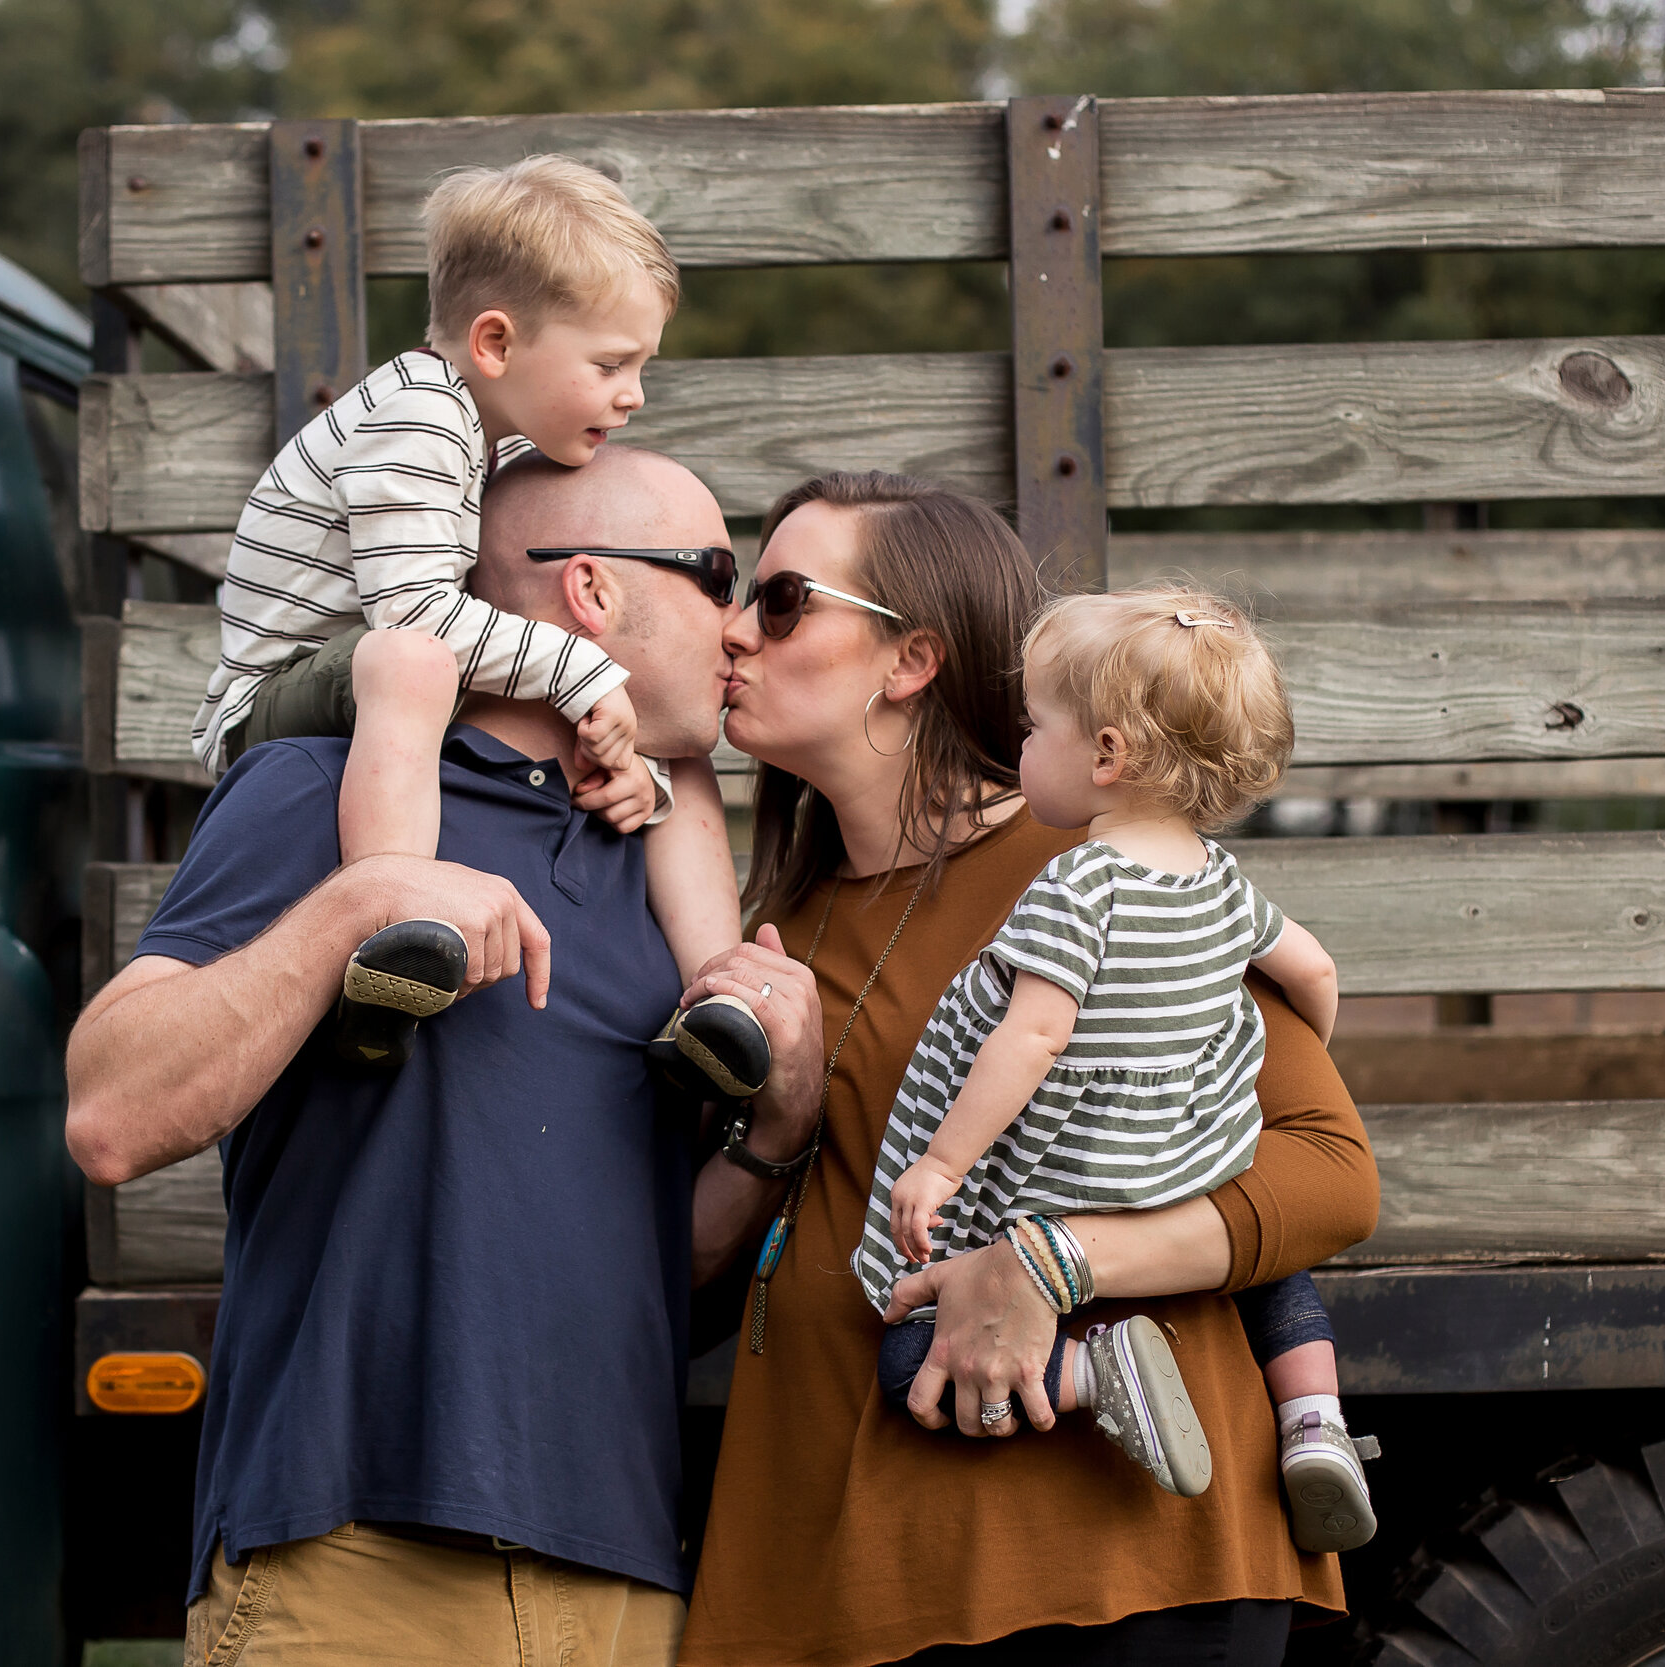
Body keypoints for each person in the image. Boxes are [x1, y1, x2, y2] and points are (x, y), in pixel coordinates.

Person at [67, 447, 829, 1667]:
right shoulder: (323, 781)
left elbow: (661, 1255)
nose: (741, 628)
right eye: (718, 578)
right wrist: (357, 898)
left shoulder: (667, 872)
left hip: (624, 1574)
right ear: (593, 592)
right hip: (355, 1558)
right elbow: (110, 1109)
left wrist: (779, 1130)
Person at [674, 472, 1381, 1667]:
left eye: (784, 599)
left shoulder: (1102, 868)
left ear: (910, 661)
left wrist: (1051, 1263)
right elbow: (698, 1283)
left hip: (1096, 1567)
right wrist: (777, 1131)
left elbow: (1329, 1174)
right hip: (836, 1576)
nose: (735, 627)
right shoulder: (776, 919)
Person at [185, 153, 764, 1092]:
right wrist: (583, 672)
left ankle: (717, 997)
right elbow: (415, 619)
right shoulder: (419, 418)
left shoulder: (485, 436)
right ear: (495, 343)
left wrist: (636, 770)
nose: (635, 395)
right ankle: (391, 928)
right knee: (416, 663)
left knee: (654, 751)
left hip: (379, 671)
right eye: (612, 364)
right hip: (278, 695)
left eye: (641, 365)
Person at [855, 585, 1375, 1554]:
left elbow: (1031, 1036)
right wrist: (1269, 1049)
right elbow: (1314, 969)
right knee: (1275, 1270)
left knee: (903, 1361)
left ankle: (1099, 1375)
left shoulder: (1077, 882)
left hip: (1072, 1188)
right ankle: (1315, 1418)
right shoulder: (1220, 882)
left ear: (1105, 755)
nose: (1019, 748)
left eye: (1032, 726)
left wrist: (942, 1164)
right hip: (1187, 1161)